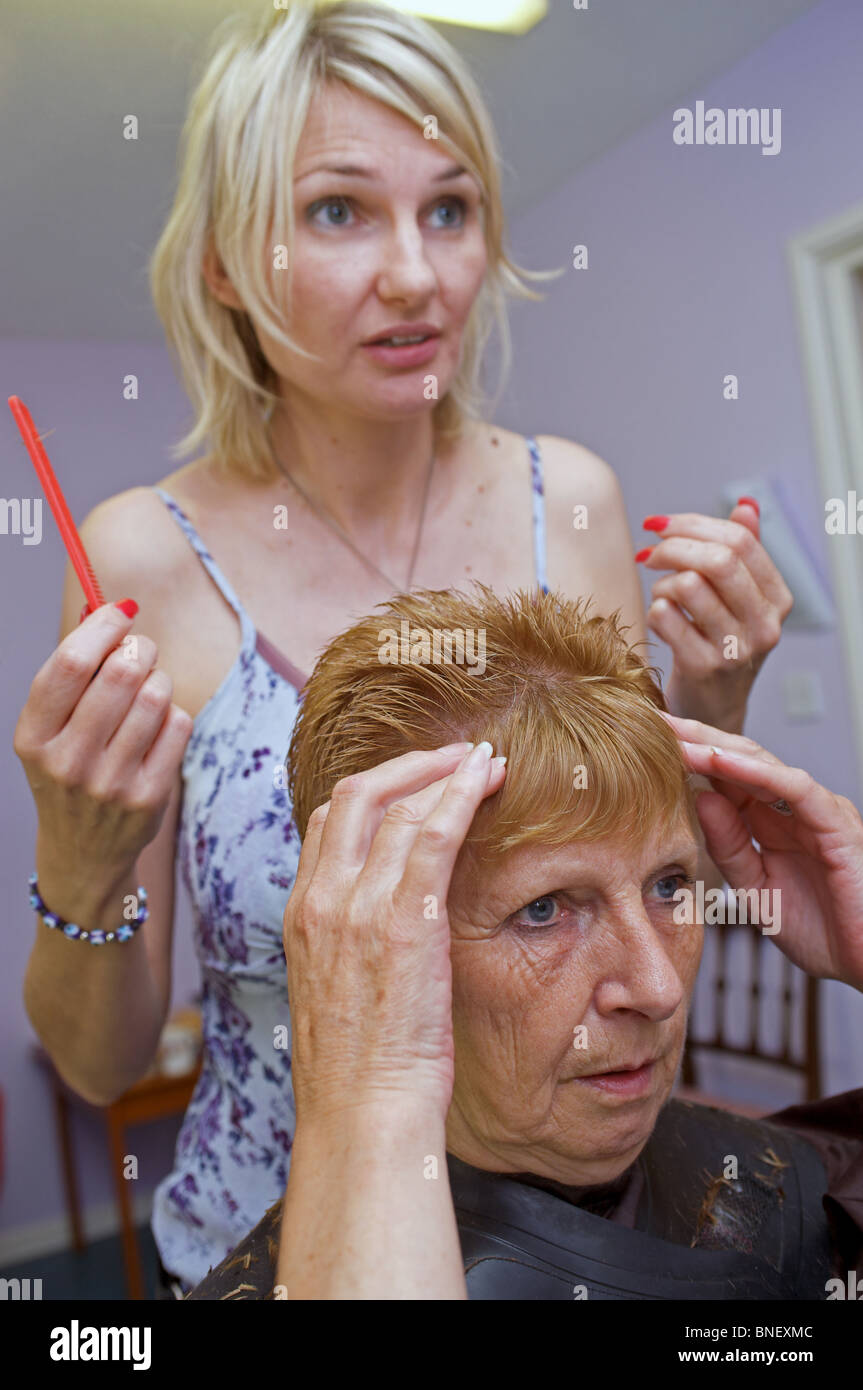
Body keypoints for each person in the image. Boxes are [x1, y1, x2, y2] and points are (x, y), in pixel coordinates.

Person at [13, 2, 792, 1297]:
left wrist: (707, 714)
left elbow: (625, 901)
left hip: (583, 1232)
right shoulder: (141, 556)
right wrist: (82, 862)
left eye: (448, 208)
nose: (415, 275)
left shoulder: (573, 502)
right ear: (221, 260)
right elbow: (102, 1064)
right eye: (336, 211)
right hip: (271, 1241)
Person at [185, 585, 863, 1301]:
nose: (658, 988)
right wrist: (367, 1099)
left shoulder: (796, 1187)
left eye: (667, 885)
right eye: (542, 909)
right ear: (371, 945)